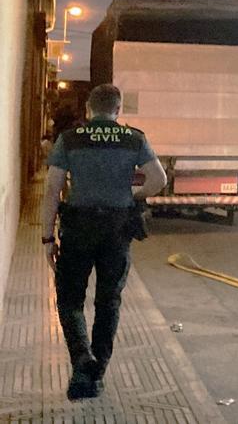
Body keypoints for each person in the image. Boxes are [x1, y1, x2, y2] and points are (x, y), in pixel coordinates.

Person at [41, 84, 167, 400]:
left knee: (70, 299)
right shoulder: (133, 138)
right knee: (108, 301)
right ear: (118, 109)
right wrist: (131, 195)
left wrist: (47, 237)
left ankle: (82, 359)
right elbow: (158, 180)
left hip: (78, 228)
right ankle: (97, 372)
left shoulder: (70, 139)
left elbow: (52, 189)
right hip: (116, 228)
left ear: (88, 109)